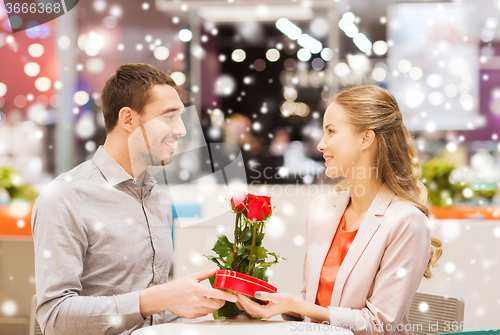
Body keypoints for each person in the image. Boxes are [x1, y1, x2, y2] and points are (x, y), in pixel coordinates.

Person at [31, 63, 236, 335]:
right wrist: (159, 298)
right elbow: (54, 318)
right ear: (128, 120)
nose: (181, 130)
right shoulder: (66, 197)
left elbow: (152, 319)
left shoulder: (157, 198)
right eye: (168, 117)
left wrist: (224, 310)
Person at [236, 85, 442, 335]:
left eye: (331, 131)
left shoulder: (406, 221)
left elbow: (381, 324)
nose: (321, 144)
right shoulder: (322, 209)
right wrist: (278, 303)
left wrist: (300, 306)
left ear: (366, 138)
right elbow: (314, 304)